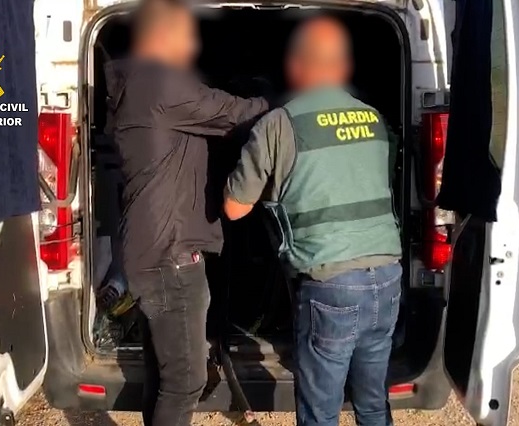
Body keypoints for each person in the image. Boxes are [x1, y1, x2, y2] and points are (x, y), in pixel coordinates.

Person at [223, 16, 402, 426]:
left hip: (331, 285)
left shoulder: (278, 124)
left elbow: (235, 208)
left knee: (320, 413)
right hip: (387, 278)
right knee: (373, 404)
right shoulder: (373, 119)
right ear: (342, 67)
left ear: (296, 66)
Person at [102, 0, 269, 425]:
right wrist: (284, 102)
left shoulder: (135, 84)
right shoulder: (161, 82)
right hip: (170, 256)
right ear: (162, 36)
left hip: (150, 248)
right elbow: (234, 113)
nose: (193, 46)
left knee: (163, 373)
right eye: (186, 35)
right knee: (186, 380)